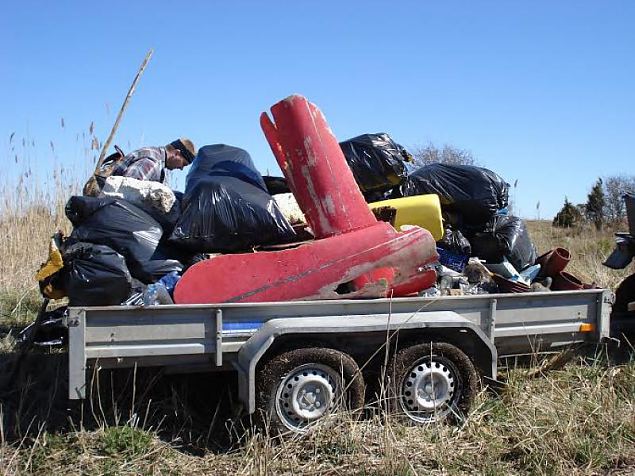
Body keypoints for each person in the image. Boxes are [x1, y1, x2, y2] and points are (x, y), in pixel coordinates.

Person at [110, 138, 197, 184]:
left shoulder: (157, 159)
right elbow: (127, 189)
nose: (181, 168)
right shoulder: (152, 162)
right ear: (176, 153)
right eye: (183, 164)